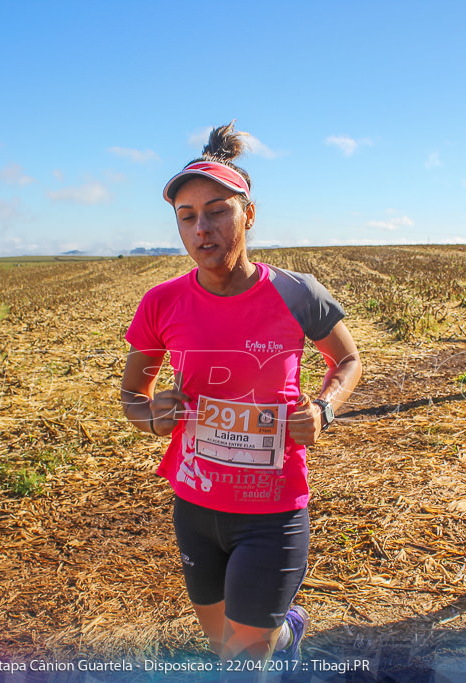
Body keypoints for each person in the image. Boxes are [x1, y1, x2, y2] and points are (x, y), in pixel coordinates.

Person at [120, 123, 362, 663]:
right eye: (188, 217)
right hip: (194, 504)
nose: (202, 229)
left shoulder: (297, 293)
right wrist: (154, 416)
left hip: (271, 512)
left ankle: (277, 635)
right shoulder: (161, 303)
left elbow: (346, 360)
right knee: (221, 645)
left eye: (218, 211)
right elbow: (132, 396)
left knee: (241, 661)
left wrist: (323, 409)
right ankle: (288, 631)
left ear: (248, 214)